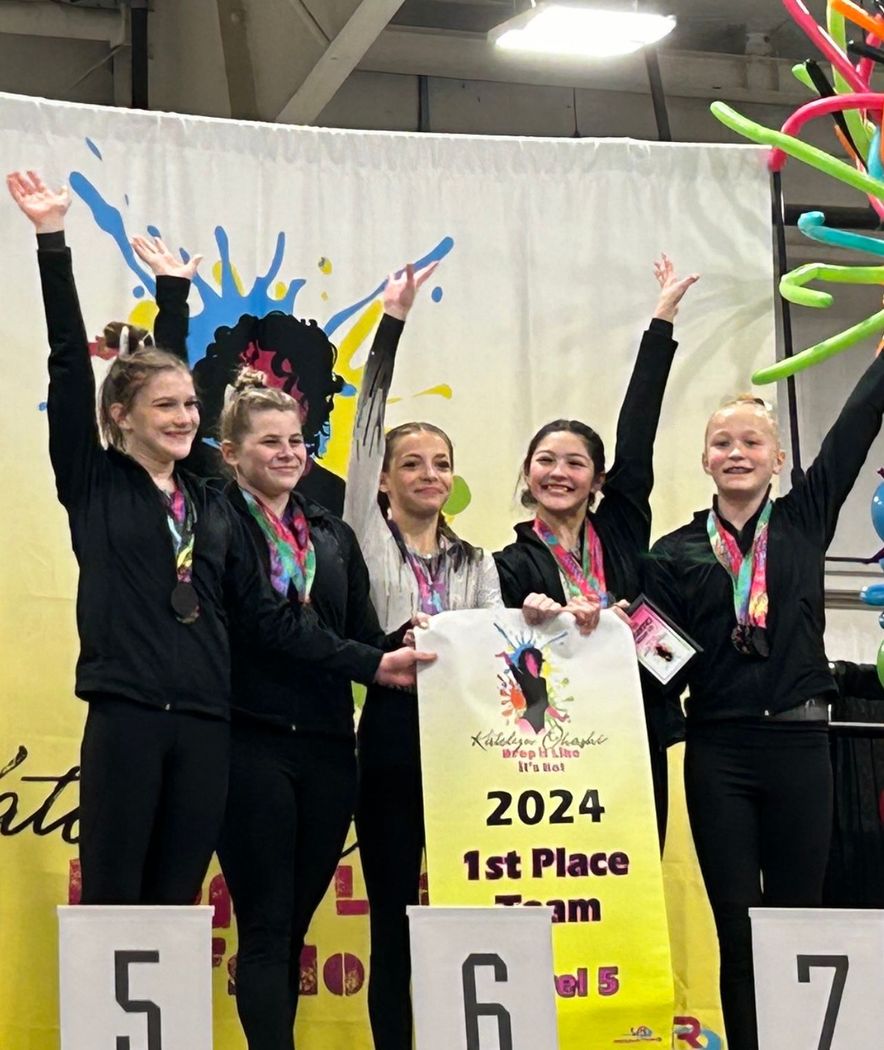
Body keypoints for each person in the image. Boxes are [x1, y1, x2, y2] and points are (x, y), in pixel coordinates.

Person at [8, 169, 429, 907]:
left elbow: (270, 613)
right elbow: (72, 367)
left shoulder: (209, 497)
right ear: (121, 416)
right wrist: (52, 241)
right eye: (163, 406)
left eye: (188, 406)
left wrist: (175, 293)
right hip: (127, 712)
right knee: (114, 901)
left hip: (207, 721)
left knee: (174, 905)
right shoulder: (94, 481)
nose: (181, 417)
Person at [133, 231, 402, 1050]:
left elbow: (360, 633)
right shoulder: (215, 517)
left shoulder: (332, 534)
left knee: (294, 926)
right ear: (231, 454)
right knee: (266, 923)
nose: (288, 454)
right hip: (246, 743)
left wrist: (424, 640)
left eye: (297, 442)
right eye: (269, 444)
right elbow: (265, 621)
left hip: (328, 747)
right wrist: (173, 295)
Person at [643, 366, 884, 1050]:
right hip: (719, 755)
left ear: (778, 459)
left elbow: (853, 432)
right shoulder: (674, 553)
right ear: (705, 460)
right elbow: (654, 660)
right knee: (738, 928)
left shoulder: (805, 519)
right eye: (723, 443)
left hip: (803, 749)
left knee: (795, 924)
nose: (738, 453)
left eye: (752, 442)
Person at [343, 263, 508, 1050]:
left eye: (441, 463)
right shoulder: (366, 535)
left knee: (461, 913)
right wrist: (393, 324)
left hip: (464, 749)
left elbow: (504, 664)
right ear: (384, 478)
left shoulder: (479, 562)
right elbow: (367, 423)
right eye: (413, 463)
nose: (429, 474)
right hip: (387, 742)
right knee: (392, 921)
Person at [494, 256, 699, 845]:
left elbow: (639, 427)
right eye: (546, 461)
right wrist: (531, 622)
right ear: (528, 474)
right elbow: (506, 664)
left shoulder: (623, 529)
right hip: (554, 747)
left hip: (635, 725)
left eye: (575, 463)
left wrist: (661, 321)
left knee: (635, 871)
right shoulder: (507, 565)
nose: (559, 473)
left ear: (599, 479)